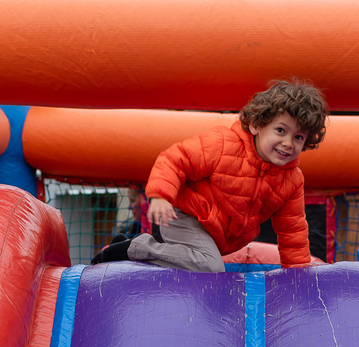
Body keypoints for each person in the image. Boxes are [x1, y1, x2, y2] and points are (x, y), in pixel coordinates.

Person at [92, 79, 328, 271]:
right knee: (210, 268)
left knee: (206, 264)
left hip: (215, 234)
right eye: (280, 130)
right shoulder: (223, 144)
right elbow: (176, 159)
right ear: (257, 125)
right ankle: (133, 248)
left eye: (298, 137)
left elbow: (292, 229)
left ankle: (142, 250)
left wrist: (297, 274)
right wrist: (161, 196)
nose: (288, 143)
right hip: (183, 214)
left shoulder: (292, 179)